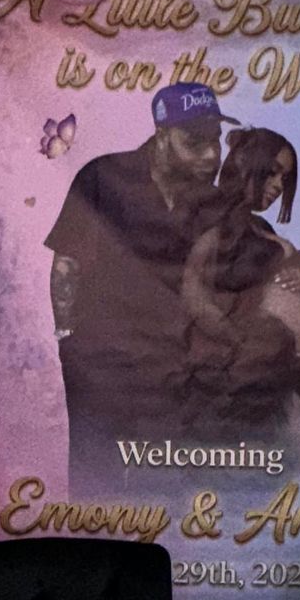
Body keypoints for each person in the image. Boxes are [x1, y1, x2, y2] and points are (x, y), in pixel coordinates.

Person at [46, 82, 230, 489]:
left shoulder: (213, 204)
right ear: (162, 135)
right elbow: (66, 264)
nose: (212, 154)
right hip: (100, 361)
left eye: (216, 141)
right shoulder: (103, 177)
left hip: (173, 369)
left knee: (163, 488)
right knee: (96, 485)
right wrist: (67, 337)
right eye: (195, 142)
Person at [180, 127, 300, 481]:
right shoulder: (211, 214)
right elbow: (193, 290)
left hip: (270, 373)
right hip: (235, 375)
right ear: (249, 163)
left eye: (286, 177)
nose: (280, 185)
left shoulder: (257, 225)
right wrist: (235, 341)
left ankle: (288, 535)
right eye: (275, 171)